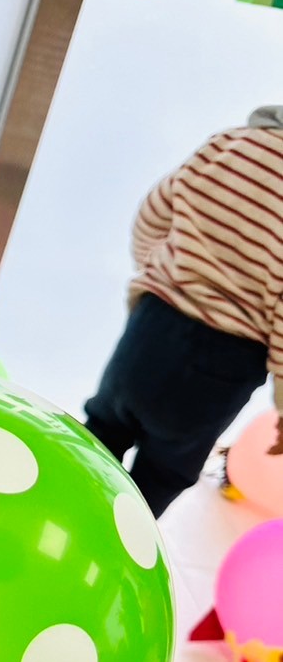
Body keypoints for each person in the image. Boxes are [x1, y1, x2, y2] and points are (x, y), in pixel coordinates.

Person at [83, 106, 283, 517]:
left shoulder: (228, 144)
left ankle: (56, 514)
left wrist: (158, 276)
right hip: (224, 362)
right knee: (161, 474)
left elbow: (151, 217)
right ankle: (118, 543)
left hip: (154, 325)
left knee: (100, 433)